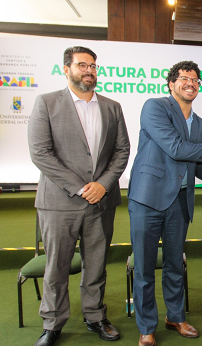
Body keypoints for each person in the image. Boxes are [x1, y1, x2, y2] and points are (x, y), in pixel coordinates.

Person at [128, 61, 202, 346]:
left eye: (195, 79)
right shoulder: (154, 107)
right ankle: (146, 327)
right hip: (148, 200)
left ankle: (176, 317)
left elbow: (196, 164)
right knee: (144, 268)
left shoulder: (200, 124)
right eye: (184, 78)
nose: (190, 83)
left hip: (179, 202)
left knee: (175, 265)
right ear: (171, 84)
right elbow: (175, 148)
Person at [28, 46, 130, 346]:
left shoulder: (112, 107)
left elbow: (122, 151)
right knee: (56, 266)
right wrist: (80, 186)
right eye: (82, 65)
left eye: (93, 65)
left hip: (102, 202)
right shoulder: (46, 103)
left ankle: (95, 316)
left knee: (96, 264)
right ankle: (52, 323)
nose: (89, 70)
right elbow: (40, 153)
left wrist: (104, 184)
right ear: (66, 69)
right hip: (60, 203)